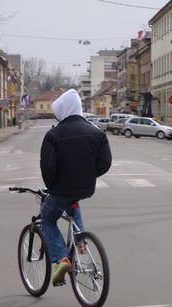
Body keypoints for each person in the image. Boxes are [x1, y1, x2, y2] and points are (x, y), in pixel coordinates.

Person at [40, 89, 112, 286]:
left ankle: (61, 260)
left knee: (47, 219)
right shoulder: (96, 132)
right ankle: (80, 242)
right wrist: (87, 176)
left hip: (61, 190)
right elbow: (105, 163)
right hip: (86, 188)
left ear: (63, 110)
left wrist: (52, 186)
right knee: (72, 201)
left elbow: (48, 167)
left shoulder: (53, 135)